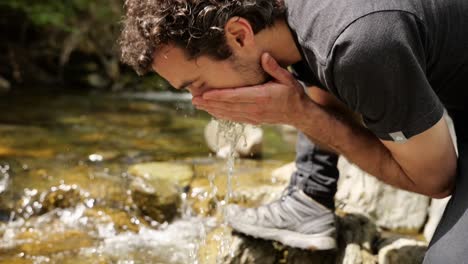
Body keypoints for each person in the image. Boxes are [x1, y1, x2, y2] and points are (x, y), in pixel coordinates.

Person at [119, 0, 468, 262]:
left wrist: (300, 113)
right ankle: (311, 196)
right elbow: (323, 70)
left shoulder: (358, 44)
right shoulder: (290, 22)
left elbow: (436, 179)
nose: (199, 101)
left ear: (239, 35)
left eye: (197, 83)